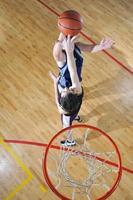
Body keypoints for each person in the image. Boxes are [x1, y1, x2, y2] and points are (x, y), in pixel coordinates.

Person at [49, 33, 114, 146]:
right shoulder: (77, 88)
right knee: (71, 117)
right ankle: (73, 128)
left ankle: (72, 133)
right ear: (73, 90)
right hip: (73, 106)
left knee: (67, 122)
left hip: (71, 107)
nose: (64, 90)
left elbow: (58, 103)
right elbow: (72, 69)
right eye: (65, 91)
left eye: (63, 92)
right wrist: (102, 47)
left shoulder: (68, 102)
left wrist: (55, 84)